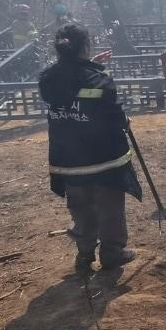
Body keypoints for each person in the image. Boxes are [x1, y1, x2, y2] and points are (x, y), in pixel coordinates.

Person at [39, 24, 140, 275]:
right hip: (103, 157)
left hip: (68, 158)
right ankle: (112, 253)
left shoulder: (48, 78)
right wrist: (125, 121)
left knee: (80, 207)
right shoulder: (97, 79)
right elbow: (110, 111)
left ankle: (84, 254)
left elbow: (72, 89)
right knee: (109, 207)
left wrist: (88, 64)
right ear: (85, 46)